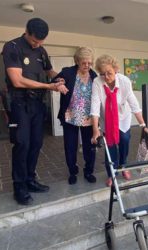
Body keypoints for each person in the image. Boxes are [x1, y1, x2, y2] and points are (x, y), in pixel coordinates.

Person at [2, 18, 65, 205]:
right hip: (19, 103)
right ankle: (19, 186)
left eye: (41, 42)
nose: (37, 44)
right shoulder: (12, 47)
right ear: (26, 32)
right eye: (34, 41)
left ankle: (30, 179)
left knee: (36, 143)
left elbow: (50, 72)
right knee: (22, 144)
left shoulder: (41, 51)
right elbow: (17, 80)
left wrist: (63, 78)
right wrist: (49, 85)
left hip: (38, 103)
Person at [90, 54, 148, 187]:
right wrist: (95, 130)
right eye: (102, 74)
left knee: (124, 140)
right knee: (109, 145)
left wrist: (143, 124)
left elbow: (134, 104)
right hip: (107, 120)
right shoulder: (97, 82)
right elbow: (94, 107)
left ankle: (123, 165)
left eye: (109, 73)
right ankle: (112, 173)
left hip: (123, 117)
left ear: (116, 69)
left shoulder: (124, 81)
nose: (106, 77)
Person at [54, 47, 97, 185]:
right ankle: (73, 171)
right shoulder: (68, 72)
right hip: (70, 116)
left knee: (89, 146)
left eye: (90, 63)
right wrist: (59, 83)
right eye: (84, 63)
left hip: (89, 117)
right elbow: (55, 81)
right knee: (70, 146)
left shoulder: (94, 75)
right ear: (77, 61)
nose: (87, 66)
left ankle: (89, 171)